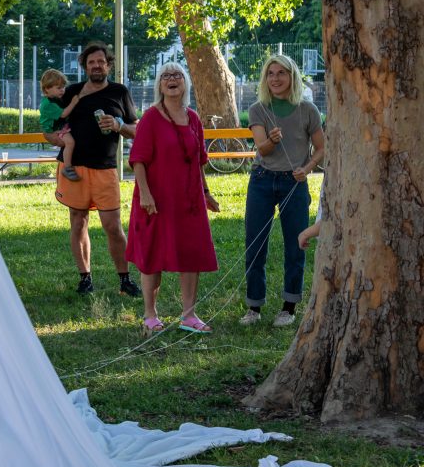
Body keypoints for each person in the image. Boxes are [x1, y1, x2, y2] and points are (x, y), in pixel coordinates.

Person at [126, 63, 219, 335]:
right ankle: (150, 315)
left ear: (185, 83)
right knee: (153, 253)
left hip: (189, 200)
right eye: (165, 76)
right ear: (159, 85)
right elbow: (138, 160)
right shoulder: (151, 118)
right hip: (156, 198)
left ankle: (189, 316)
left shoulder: (193, 118)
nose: (171, 80)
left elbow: (199, 160)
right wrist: (144, 193)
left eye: (177, 75)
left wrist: (205, 192)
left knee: (191, 252)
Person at [49, 41, 141, 298]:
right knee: (78, 221)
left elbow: (137, 131)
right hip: (74, 168)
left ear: (109, 65)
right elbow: (49, 122)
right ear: (84, 66)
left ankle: (124, 280)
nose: (96, 66)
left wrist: (119, 124)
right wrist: (55, 138)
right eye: (91, 62)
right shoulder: (73, 92)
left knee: (112, 226)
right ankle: (85, 278)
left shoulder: (120, 92)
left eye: (101, 61)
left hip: (105, 168)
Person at [241, 54, 325, 327]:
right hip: (262, 180)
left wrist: (309, 167)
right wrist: (271, 140)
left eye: (282, 73)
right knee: (255, 244)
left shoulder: (308, 109)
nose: (275, 78)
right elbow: (262, 150)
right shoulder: (258, 109)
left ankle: (289, 307)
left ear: (292, 76)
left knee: (296, 244)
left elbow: (321, 148)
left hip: (294, 183)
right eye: (270, 73)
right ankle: (254, 307)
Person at [38, 69, 82, 181]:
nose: (63, 90)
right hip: (54, 129)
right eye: (59, 88)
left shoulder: (54, 98)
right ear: (47, 89)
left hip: (59, 126)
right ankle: (67, 167)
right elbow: (63, 114)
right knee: (70, 142)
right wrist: (73, 102)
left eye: (63, 87)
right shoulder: (48, 104)